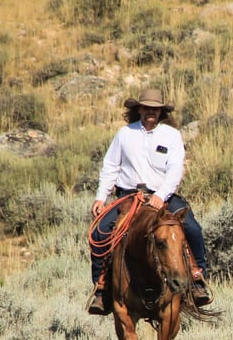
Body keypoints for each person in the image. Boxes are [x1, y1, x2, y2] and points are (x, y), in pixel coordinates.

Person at [87, 88, 210, 315]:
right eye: (146, 108)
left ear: (161, 111)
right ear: (139, 109)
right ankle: (102, 289)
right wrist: (100, 197)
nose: (150, 112)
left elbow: (175, 170)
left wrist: (160, 196)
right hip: (128, 196)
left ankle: (197, 278)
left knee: (192, 228)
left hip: (163, 196)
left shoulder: (171, 135)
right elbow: (111, 166)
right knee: (100, 233)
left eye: (155, 109)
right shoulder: (125, 134)